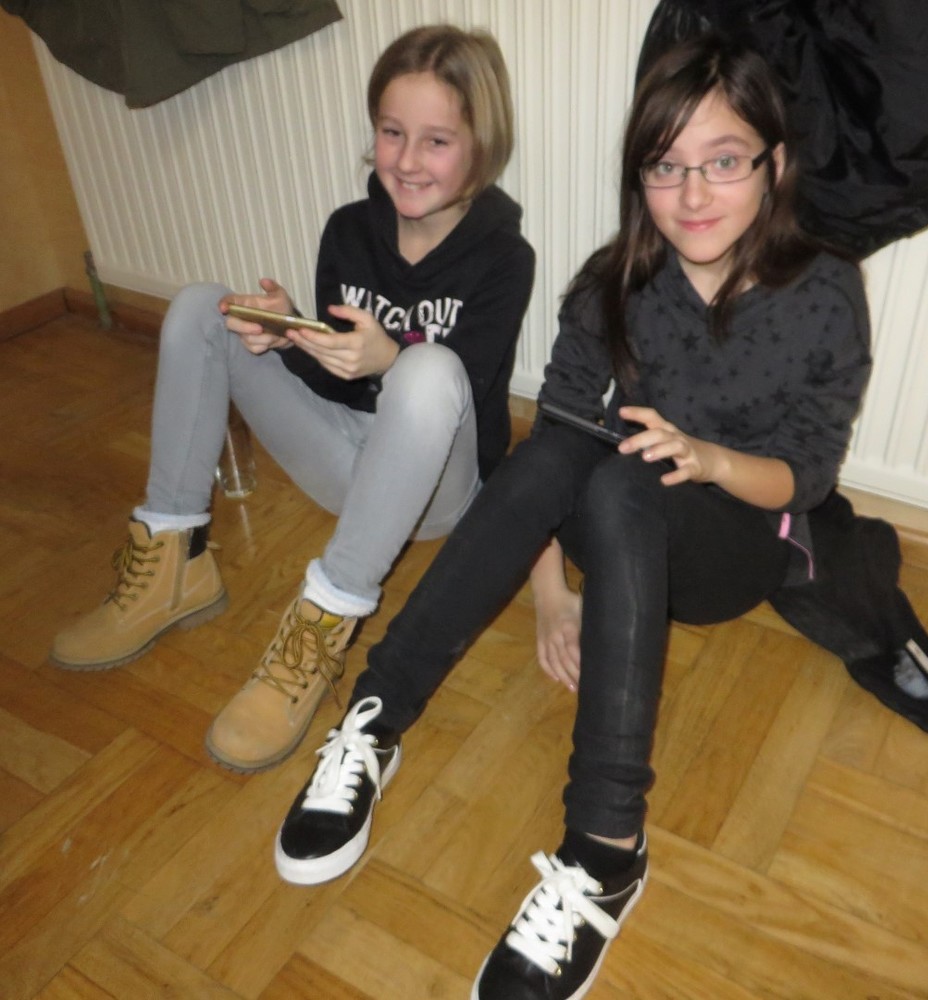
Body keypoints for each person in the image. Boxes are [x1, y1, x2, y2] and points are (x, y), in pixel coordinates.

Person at [272, 33, 872, 1000]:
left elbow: (804, 477)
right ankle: (375, 720)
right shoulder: (611, 282)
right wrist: (552, 597)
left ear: (774, 163)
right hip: (619, 524)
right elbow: (550, 443)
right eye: (666, 166)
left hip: (731, 545)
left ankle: (605, 848)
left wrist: (708, 458)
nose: (693, 194)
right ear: (639, 176)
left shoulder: (825, 290)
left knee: (626, 476)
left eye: (723, 161)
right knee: (569, 452)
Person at [49, 24, 535, 776]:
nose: (407, 160)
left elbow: (463, 396)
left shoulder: (505, 256)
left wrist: (391, 357)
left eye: (436, 141)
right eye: (392, 132)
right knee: (203, 307)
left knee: (428, 371)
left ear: (481, 145)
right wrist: (290, 336)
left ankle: (324, 620)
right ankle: (174, 561)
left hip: (437, 488)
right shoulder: (348, 230)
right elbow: (334, 381)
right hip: (346, 456)